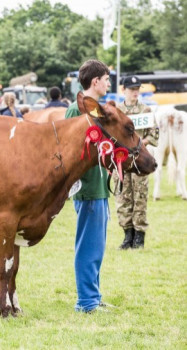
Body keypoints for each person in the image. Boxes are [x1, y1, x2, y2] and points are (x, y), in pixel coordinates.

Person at [65, 59, 112, 313]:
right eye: (106, 79)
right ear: (95, 81)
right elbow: (71, 152)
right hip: (87, 188)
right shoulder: (76, 110)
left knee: (96, 246)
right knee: (88, 246)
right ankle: (86, 301)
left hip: (99, 186)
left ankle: (93, 295)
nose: (108, 83)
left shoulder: (95, 110)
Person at [114, 76, 159, 249]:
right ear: (123, 90)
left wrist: (141, 144)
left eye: (137, 89)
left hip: (140, 162)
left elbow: (153, 133)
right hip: (122, 160)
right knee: (123, 195)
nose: (135, 92)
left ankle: (139, 237)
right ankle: (127, 235)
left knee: (140, 196)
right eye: (131, 89)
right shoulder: (117, 112)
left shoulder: (145, 109)